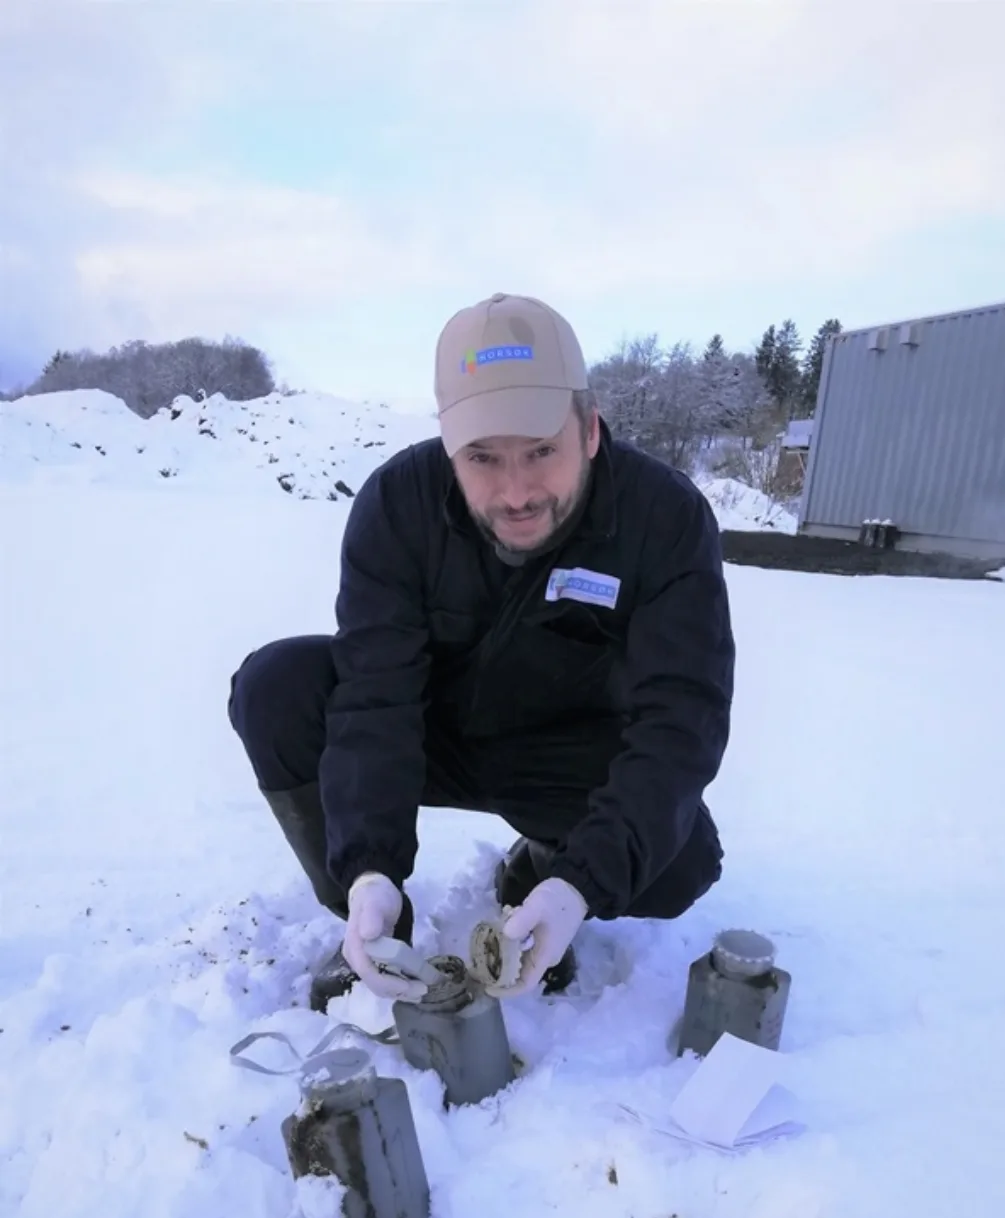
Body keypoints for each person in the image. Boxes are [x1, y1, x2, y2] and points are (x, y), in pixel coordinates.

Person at [228, 292, 735, 1011]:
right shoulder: (396, 506)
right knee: (275, 687)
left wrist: (580, 885)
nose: (516, 490)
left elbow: (681, 722)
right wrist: (369, 868)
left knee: (679, 861)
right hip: (433, 732)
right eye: (484, 457)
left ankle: (541, 875)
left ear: (589, 430)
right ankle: (373, 925)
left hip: (567, 754)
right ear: (448, 445)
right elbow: (377, 695)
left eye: (541, 451)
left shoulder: (666, 520)